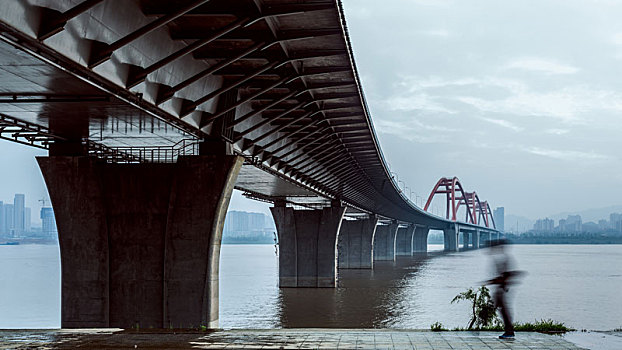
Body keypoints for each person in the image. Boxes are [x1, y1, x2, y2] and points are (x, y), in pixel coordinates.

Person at [485, 239, 521, 339]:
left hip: (502, 288)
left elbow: (505, 275)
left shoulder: (502, 257)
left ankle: (509, 331)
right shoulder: (501, 257)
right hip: (502, 288)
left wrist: (493, 282)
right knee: (502, 308)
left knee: (503, 309)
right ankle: (509, 330)